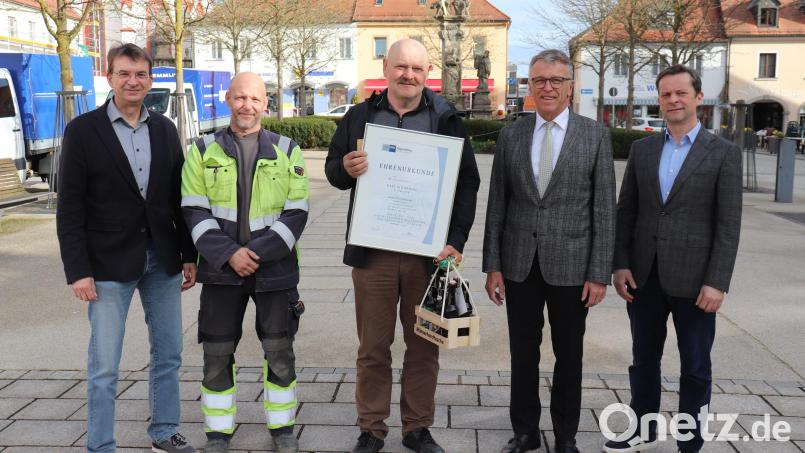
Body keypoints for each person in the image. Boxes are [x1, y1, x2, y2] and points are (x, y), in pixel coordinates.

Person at [326, 38, 480, 453]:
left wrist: (455, 240)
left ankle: (416, 428)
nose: (408, 75)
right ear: (387, 67)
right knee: (373, 347)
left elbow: (468, 182)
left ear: (426, 72)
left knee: (424, 346)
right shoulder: (359, 116)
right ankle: (371, 429)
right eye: (401, 67)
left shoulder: (446, 118)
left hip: (427, 257)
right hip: (373, 254)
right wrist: (345, 167)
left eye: (416, 68)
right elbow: (333, 171)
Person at [56, 43, 197, 453]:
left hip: (162, 260)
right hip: (106, 264)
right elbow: (69, 207)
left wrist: (189, 254)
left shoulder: (165, 129)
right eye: (124, 74)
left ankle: (164, 432)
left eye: (140, 74)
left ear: (150, 79)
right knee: (104, 365)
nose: (133, 81)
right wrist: (77, 269)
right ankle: (100, 445)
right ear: (110, 78)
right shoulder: (83, 130)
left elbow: (178, 197)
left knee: (169, 353)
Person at [482, 49, 616, 453]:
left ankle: (566, 436)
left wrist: (599, 272)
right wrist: (493, 266)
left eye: (556, 80)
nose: (547, 87)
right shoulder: (512, 134)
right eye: (539, 80)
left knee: (568, 357)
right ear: (529, 86)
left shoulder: (594, 136)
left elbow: (604, 210)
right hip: (520, 264)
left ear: (570, 87)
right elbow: (497, 205)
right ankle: (525, 432)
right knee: (523, 355)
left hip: (573, 268)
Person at [604, 65, 742, 453]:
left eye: (681, 93)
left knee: (695, 367)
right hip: (643, 276)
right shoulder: (643, 149)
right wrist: (621, 263)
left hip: (697, 281)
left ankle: (689, 441)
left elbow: (728, 224)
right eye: (666, 94)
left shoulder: (723, 154)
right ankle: (643, 430)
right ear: (659, 100)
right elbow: (626, 211)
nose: (673, 100)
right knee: (642, 360)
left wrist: (718, 281)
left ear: (699, 98)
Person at [181, 72, 309, 453]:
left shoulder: (288, 150)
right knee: (217, 352)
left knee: (279, 350)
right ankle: (218, 432)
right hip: (222, 272)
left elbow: (297, 211)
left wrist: (257, 254)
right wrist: (229, 254)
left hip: (275, 272)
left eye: (254, 99)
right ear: (227, 99)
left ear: (265, 104)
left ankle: (283, 428)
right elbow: (193, 209)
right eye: (239, 98)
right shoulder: (202, 151)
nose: (246, 106)